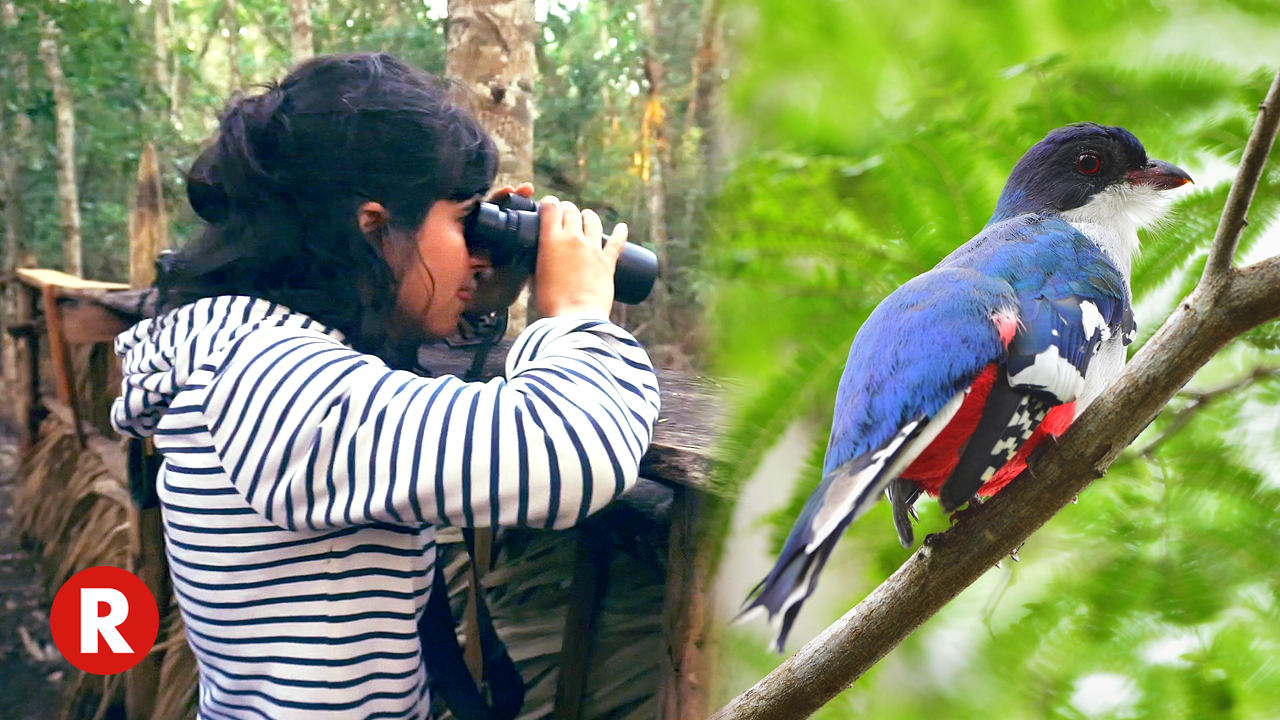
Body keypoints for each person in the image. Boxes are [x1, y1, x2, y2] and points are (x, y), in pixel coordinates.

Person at [110, 53, 660, 720]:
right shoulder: (273, 383)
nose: (479, 248)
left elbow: (390, 397)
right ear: (374, 228)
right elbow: (571, 450)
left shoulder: (245, 358)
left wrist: (478, 297)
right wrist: (576, 311)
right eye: (464, 222)